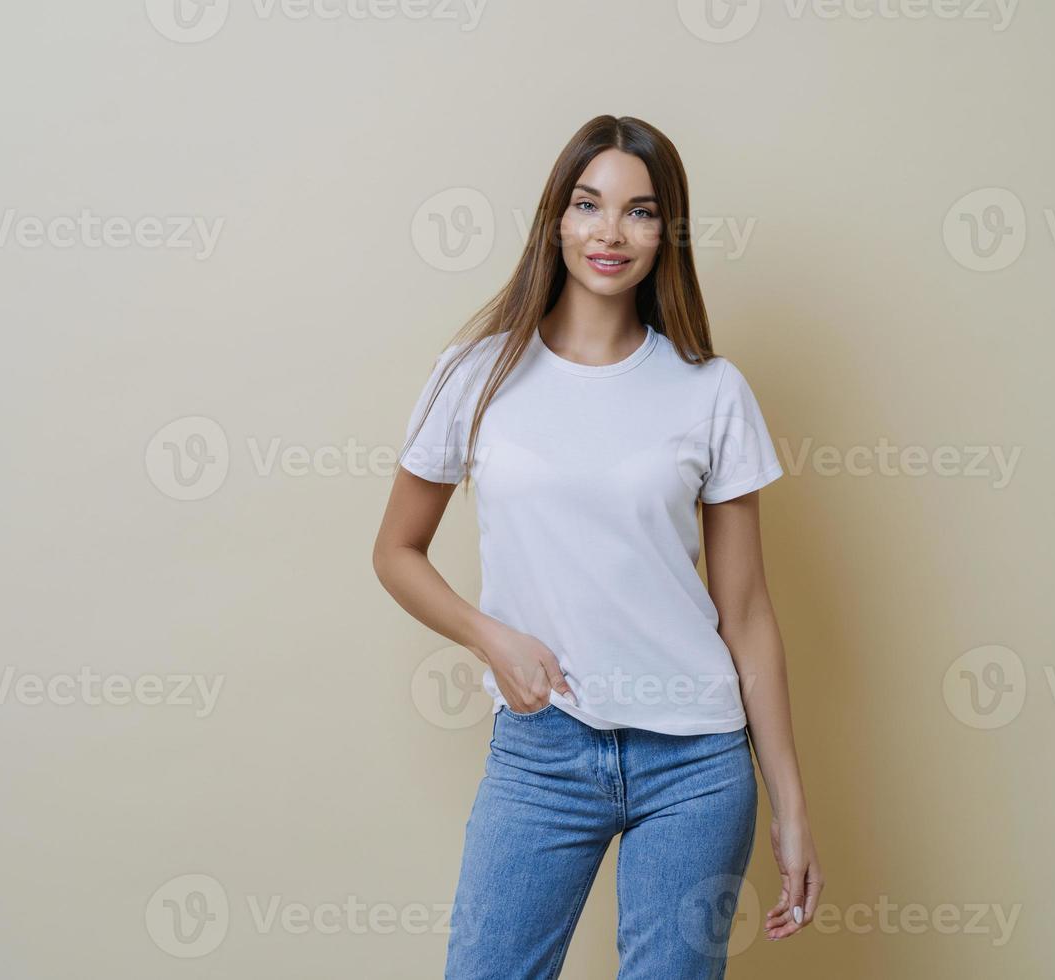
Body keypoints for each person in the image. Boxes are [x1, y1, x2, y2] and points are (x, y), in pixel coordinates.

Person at [373, 114, 823, 979]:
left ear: (667, 234)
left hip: (695, 762)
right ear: (557, 218)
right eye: (589, 204)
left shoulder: (711, 391)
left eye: (640, 212)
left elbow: (748, 610)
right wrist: (491, 638)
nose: (610, 233)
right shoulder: (477, 374)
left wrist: (789, 804)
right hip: (543, 751)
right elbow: (396, 550)